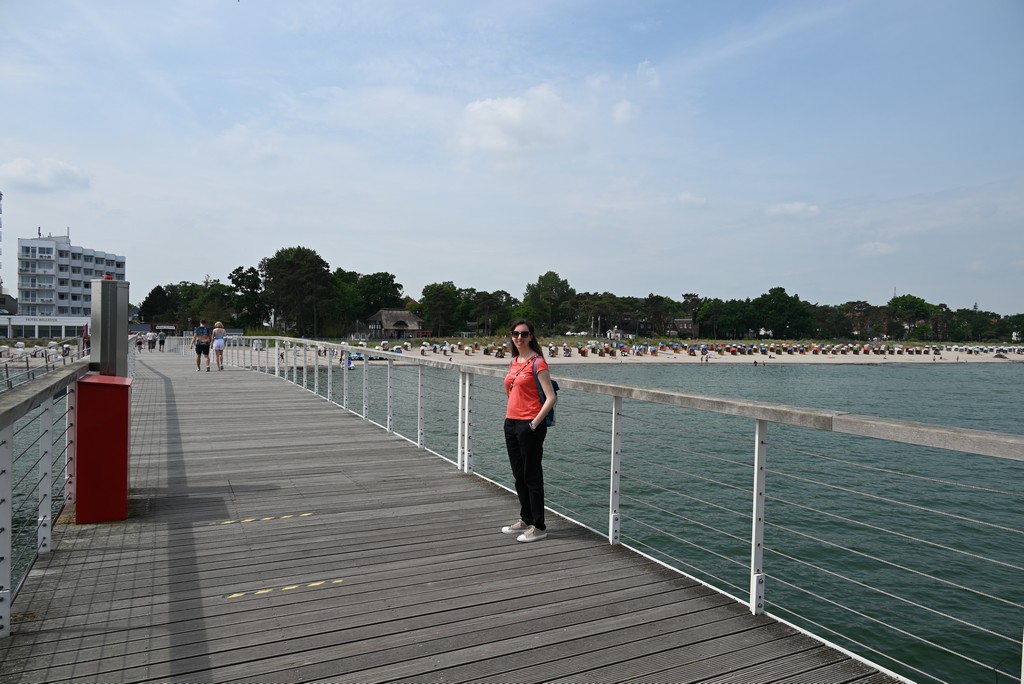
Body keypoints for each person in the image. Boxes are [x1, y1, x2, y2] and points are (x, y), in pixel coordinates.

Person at [501, 318, 557, 543]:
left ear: (531, 336)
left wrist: (533, 423)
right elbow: (512, 391)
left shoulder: (538, 362)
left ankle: (539, 526)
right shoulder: (514, 361)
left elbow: (551, 397)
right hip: (511, 423)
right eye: (516, 334)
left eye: (524, 334)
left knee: (532, 475)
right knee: (518, 475)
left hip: (530, 425)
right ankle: (526, 519)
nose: (519, 337)